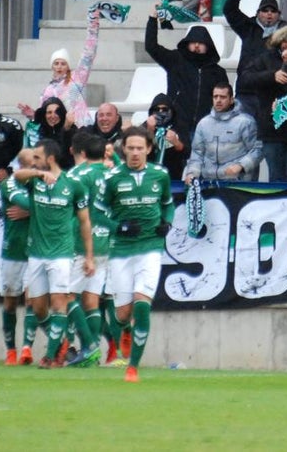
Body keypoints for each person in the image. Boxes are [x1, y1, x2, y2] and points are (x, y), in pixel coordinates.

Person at [15, 139, 95, 369]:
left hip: (61, 253)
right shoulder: (34, 180)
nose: (34, 162)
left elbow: (84, 221)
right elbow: (16, 177)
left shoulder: (73, 185)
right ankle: (59, 343)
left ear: (50, 159)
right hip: (37, 253)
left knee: (59, 302)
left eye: (38, 158)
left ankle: (50, 357)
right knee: (38, 307)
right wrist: (37, 175)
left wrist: (89, 256)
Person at [103, 127, 174, 383]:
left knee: (142, 304)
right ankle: (123, 330)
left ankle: (132, 367)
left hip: (150, 248)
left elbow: (168, 205)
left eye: (139, 148)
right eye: (130, 148)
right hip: (121, 251)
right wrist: (118, 227)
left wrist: (167, 222)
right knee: (122, 314)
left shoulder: (160, 175)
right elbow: (98, 211)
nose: (134, 153)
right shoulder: (112, 178)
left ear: (148, 149)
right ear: (123, 149)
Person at [237, 26, 287, 183]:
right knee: (275, 178)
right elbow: (245, 78)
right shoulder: (265, 58)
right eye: (284, 40)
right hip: (271, 129)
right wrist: (271, 76)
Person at [62, 131, 111, 368]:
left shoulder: (76, 175)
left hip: (81, 244)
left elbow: (67, 208)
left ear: (81, 152)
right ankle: (90, 355)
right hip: (106, 243)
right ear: (104, 152)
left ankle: (90, 346)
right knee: (91, 300)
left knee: (66, 296)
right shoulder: (114, 173)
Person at [144, 14, 228, 140]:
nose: (197, 46)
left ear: (208, 46)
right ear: (187, 43)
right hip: (176, 126)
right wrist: (152, 19)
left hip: (205, 128)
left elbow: (225, 98)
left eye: (201, 43)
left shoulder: (218, 71)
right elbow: (151, 47)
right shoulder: (175, 60)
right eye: (193, 42)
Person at [0, 149, 36, 366]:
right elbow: (27, 203)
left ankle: (26, 349)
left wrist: (31, 212)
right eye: (32, 165)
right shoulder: (10, 184)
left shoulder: (41, 183)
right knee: (11, 302)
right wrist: (36, 209)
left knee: (32, 299)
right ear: (21, 167)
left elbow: (58, 205)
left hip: (36, 249)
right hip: (13, 249)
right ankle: (10, 350)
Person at [183, 82, 264, 183]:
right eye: (215, 97)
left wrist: (240, 166)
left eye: (223, 97)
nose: (218, 100)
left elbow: (258, 150)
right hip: (208, 183)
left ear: (231, 99)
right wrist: (192, 174)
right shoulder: (203, 123)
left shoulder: (245, 122)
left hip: (237, 183)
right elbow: (197, 153)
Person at [143, 94, 189, 182]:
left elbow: (187, 153)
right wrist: (150, 131)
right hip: (149, 175)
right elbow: (142, 151)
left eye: (164, 109)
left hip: (173, 175)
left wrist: (176, 143)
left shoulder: (179, 126)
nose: (160, 112)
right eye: (157, 109)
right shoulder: (146, 125)